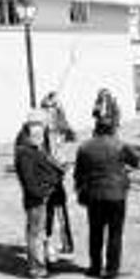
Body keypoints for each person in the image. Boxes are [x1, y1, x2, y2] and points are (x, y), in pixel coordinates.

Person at [74, 90, 140, 279]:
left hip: (94, 196)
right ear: (112, 128)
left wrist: (81, 191)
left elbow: (78, 173)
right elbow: (136, 161)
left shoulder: (84, 147)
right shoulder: (119, 145)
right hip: (117, 195)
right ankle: (111, 270)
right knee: (115, 233)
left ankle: (95, 267)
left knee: (95, 233)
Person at [13, 111, 66, 279]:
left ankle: (41, 264)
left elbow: (43, 166)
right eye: (41, 130)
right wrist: (42, 194)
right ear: (33, 131)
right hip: (36, 199)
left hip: (41, 196)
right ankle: (36, 268)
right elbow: (29, 181)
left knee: (39, 232)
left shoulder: (33, 147)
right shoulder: (25, 151)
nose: (43, 133)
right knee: (35, 234)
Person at [40, 92, 76, 257]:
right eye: (47, 108)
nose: (49, 111)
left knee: (58, 209)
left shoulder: (59, 126)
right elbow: (45, 154)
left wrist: (63, 165)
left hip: (56, 174)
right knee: (50, 210)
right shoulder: (43, 129)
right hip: (50, 173)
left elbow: (70, 137)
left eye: (51, 107)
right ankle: (49, 244)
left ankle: (65, 244)